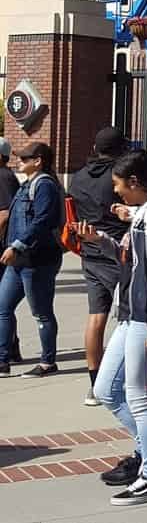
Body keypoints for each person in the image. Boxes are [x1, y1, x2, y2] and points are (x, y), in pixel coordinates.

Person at [82, 149, 147, 505]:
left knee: (140, 398)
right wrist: (100, 241)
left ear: (134, 181)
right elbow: (132, 260)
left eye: (118, 185)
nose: (116, 192)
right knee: (106, 389)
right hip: (133, 314)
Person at [70, 126, 131, 404]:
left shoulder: (79, 176)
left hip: (89, 251)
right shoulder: (118, 177)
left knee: (96, 317)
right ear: (121, 150)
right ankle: (126, 379)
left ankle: (95, 384)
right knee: (130, 319)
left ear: (95, 148)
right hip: (117, 251)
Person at [0, 142, 62, 377]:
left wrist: (17, 246)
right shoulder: (27, 184)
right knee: (3, 308)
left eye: (25, 158)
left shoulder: (45, 185)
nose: (19, 161)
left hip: (37, 260)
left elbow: (42, 221)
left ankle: (48, 362)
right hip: (18, 260)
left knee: (41, 312)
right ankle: (2, 361)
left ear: (38, 161)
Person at [0, 139, 22, 365]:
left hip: (3, 247)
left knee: (3, 304)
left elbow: (5, 213)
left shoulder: (2, 177)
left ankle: (7, 348)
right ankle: (11, 346)